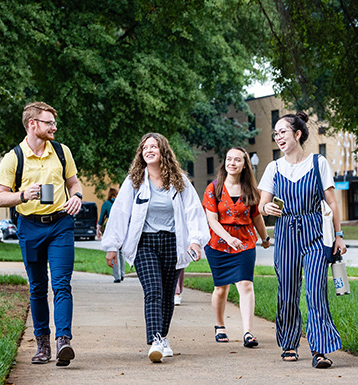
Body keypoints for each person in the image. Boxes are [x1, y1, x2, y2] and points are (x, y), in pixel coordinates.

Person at [101, 132, 210, 363]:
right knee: (154, 291)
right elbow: (121, 212)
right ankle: (155, 340)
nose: (148, 150)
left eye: (154, 147)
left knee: (168, 295)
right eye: (144, 148)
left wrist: (195, 240)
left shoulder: (179, 180)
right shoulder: (134, 181)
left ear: (163, 151)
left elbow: (192, 211)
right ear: (141, 154)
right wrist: (112, 246)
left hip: (172, 242)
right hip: (144, 243)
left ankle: (162, 338)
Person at [0, 102, 83, 367]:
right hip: (29, 226)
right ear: (33, 124)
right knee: (37, 287)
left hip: (60, 224)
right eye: (49, 123)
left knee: (62, 284)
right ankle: (42, 344)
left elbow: (74, 182)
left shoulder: (62, 152)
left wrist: (76, 196)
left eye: (54, 123)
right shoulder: (13, 158)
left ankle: (63, 341)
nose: (54, 127)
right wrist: (22, 195)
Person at [258, 111, 347, 369]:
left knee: (315, 291)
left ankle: (320, 349)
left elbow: (331, 202)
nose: (278, 137)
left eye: (282, 132)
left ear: (297, 134)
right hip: (286, 233)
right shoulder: (273, 168)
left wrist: (339, 236)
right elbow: (262, 204)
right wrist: (267, 210)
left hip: (315, 232)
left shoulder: (318, 163)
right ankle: (289, 342)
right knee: (287, 290)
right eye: (275, 134)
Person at [202, 147, 271, 348]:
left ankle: (248, 332)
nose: (232, 163)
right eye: (229, 159)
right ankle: (220, 325)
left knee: (246, 284)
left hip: (245, 242)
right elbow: (212, 221)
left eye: (237, 160)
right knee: (221, 288)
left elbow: (256, 217)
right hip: (217, 244)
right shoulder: (213, 189)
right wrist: (228, 238)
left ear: (244, 165)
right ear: (224, 163)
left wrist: (265, 238)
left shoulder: (252, 190)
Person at [97, 187, 124, 282]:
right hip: (122, 228)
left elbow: (101, 218)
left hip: (112, 228)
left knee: (113, 250)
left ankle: (117, 276)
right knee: (120, 252)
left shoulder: (106, 204)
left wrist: (98, 229)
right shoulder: (121, 203)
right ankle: (122, 273)